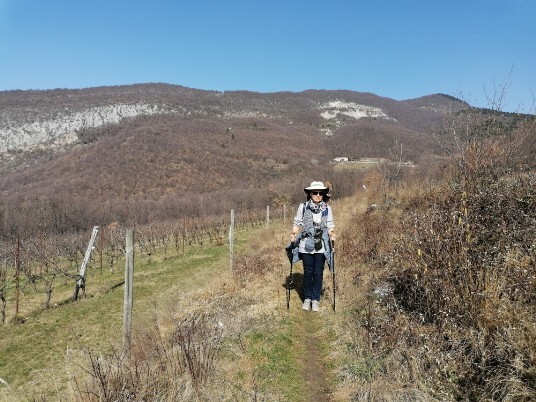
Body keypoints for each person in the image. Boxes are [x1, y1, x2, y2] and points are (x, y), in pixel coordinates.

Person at [290, 181, 336, 312]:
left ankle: (315, 299)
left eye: (321, 193)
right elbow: (297, 222)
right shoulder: (303, 207)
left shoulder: (327, 208)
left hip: (320, 245)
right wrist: (293, 233)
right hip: (305, 245)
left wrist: (332, 234)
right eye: (315, 192)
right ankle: (307, 298)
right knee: (308, 272)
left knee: (318, 272)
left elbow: (330, 225)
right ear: (310, 194)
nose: (318, 195)